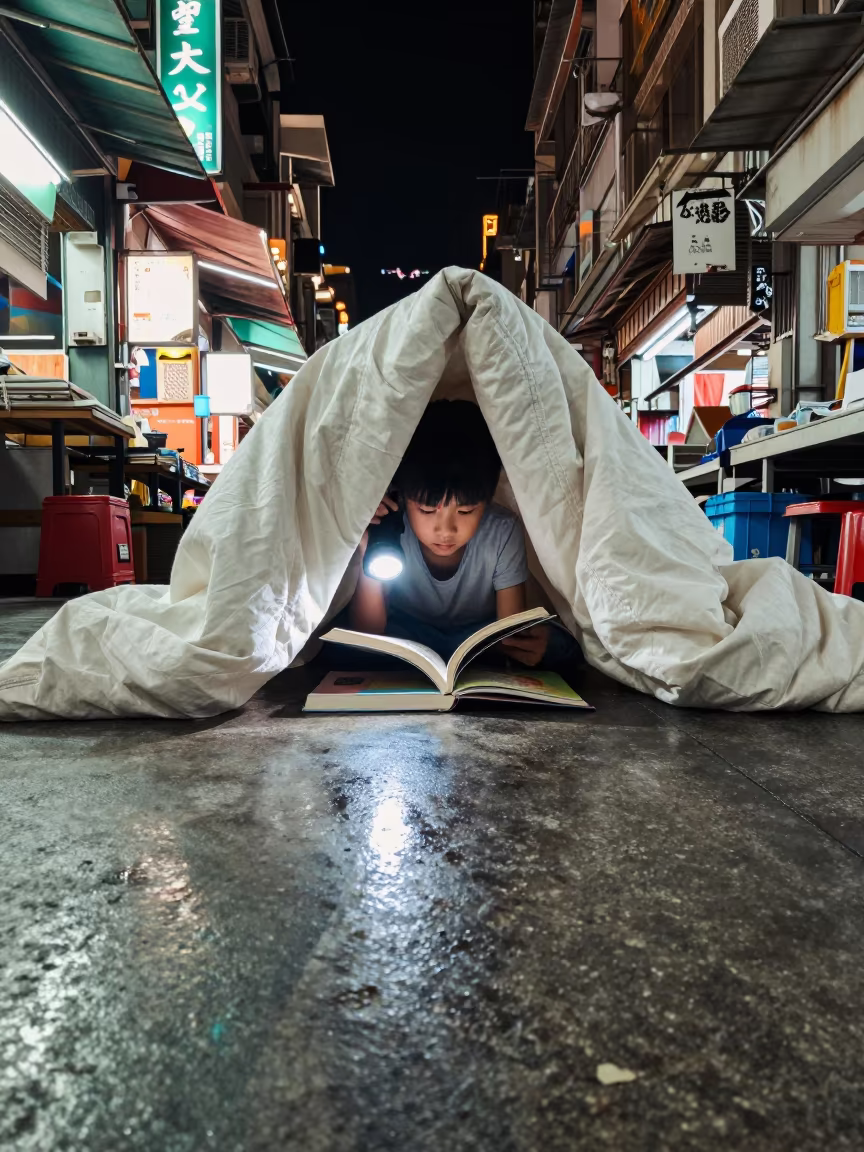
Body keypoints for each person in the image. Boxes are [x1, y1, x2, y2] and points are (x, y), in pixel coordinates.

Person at [349, 399, 577, 667]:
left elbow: (507, 635)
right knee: (345, 646)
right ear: (404, 495)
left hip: (476, 638)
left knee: (561, 646)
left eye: (466, 511)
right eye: (426, 509)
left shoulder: (501, 531)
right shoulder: (390, 526)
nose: (445, 530)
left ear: (488, 499)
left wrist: (530, 645)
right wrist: (369, 544)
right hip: (408, 635)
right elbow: (369, 633)